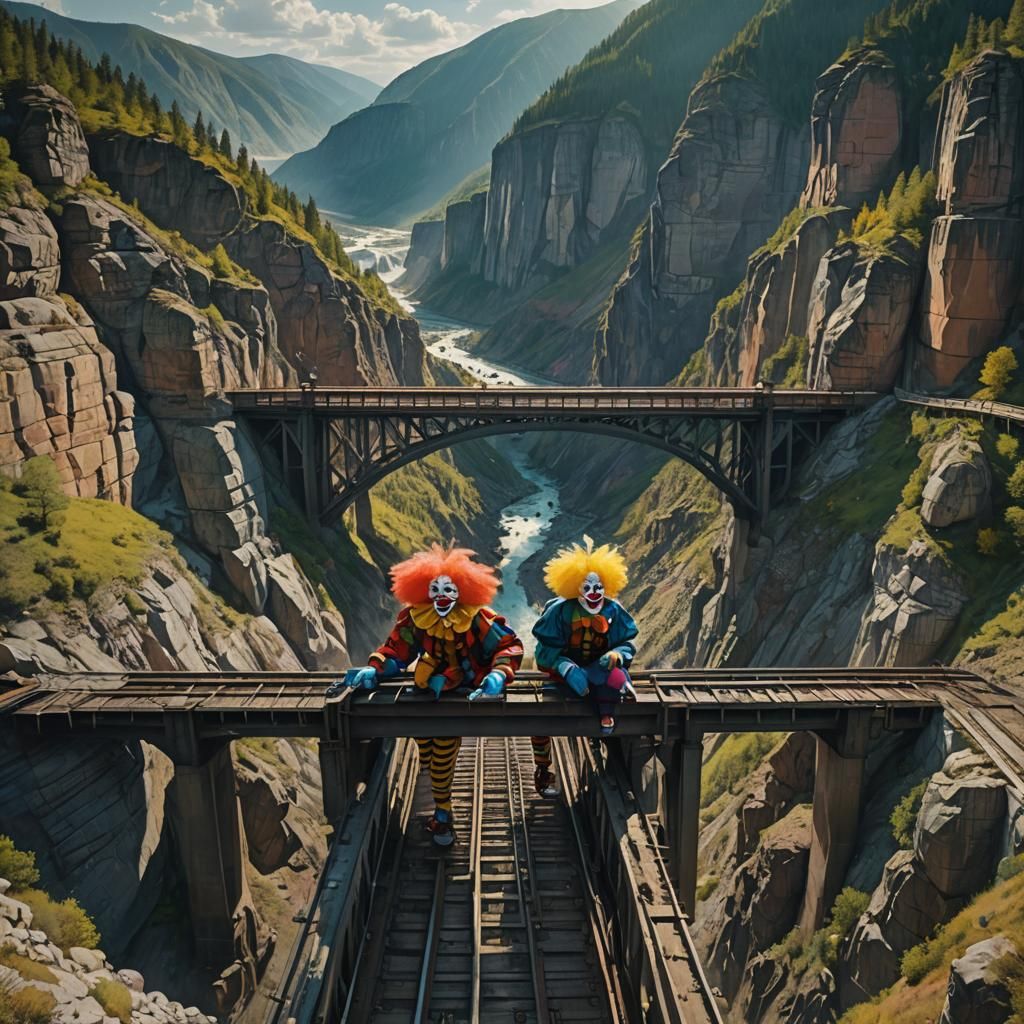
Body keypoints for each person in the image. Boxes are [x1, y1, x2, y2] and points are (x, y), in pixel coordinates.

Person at [345, 544, 523, 846]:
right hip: (426, 689)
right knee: (427, 749)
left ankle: (442, 815)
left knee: (441, 756)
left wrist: (497, 674)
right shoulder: (416, 617)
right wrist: (375, 668)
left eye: (449, 589)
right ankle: (437, 797)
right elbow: (397, 651)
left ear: (463, 590)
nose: (442, 595)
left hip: (460, 690)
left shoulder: (478, 618)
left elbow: (508, 646)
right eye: (435, 589)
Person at [533, 536, 638, 736]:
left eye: (598, 587)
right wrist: (563, 666)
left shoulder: (612, 609)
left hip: (599, 666)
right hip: (567, 671)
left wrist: (618, 655)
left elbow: (625, 642)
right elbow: (545, 647)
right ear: (575, 586)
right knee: (571, 686)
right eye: (586, 587)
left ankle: (610, 707)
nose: (593, 592)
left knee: (611, 675)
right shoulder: (561, 609)